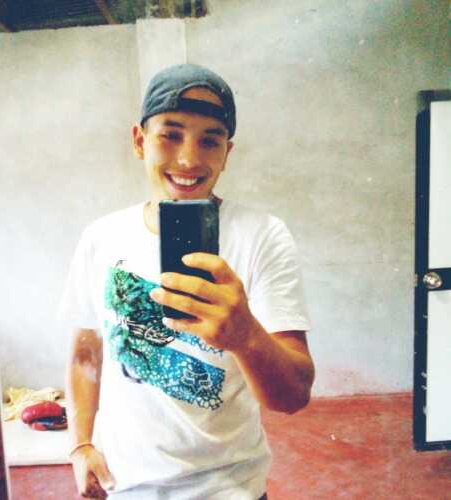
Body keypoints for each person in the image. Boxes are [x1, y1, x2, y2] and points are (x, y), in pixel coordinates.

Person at [60, 63, 315, 500]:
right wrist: (80, 445)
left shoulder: (261, 236)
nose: (189, 160)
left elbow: (292, 397)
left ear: (227, 153)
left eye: (209, 140)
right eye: (171, 135)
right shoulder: (101, 238)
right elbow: (86, 352)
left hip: (229, 490)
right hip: (125, 487)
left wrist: (246, 336)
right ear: (139, 140)